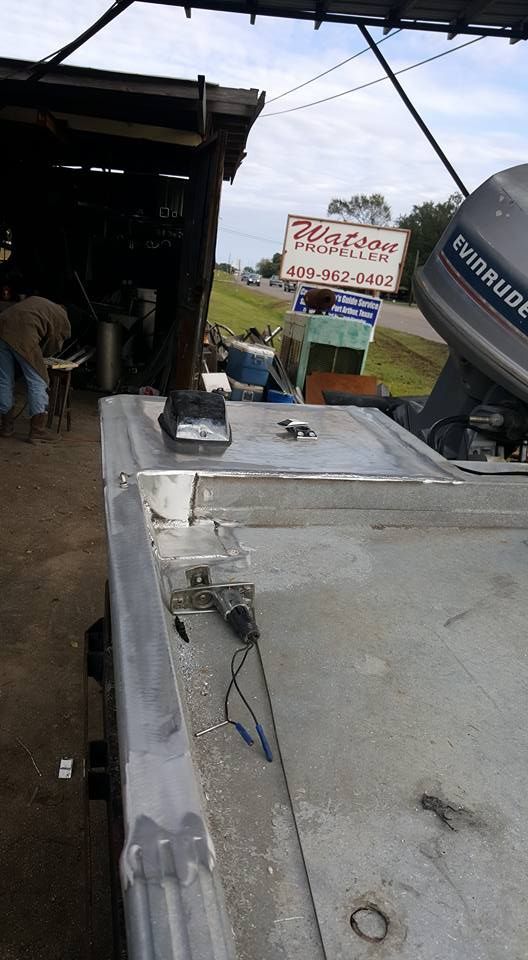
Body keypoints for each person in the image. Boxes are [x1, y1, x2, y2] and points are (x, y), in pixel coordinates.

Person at [0, 296, 71, 443]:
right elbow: (54, 342)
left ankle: (6, 427)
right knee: (38, 379)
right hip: (22, 334)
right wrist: (41, 356)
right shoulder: (61, 316)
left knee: (4, 379)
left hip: (2, 326)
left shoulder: (38, 303)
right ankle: (38, 430)